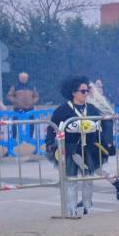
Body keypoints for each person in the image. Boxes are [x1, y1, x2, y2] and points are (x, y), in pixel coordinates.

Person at [45, 75, 110, 217]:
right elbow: (52, 128)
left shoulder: (91, 108)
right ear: (74, 92)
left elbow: (102, 125)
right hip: (69, 148)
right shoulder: (62, 110)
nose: (86, 94)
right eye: (83, 91)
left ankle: (87, 207)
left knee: (89, 179)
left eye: (87, 91)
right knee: (71, 180)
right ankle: (71, 210)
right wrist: (50, 143)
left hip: (88, 149)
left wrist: (106, 144)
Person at [85, 81, 119, 200]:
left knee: (90, 168)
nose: (86, 92)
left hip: (98, 140)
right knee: (92, 168)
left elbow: (108, 122)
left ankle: (86, 198)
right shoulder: (83, 104)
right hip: (87, 139)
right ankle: (117, 183)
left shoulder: (99, 103)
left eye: (88, 89)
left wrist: (108, 142)